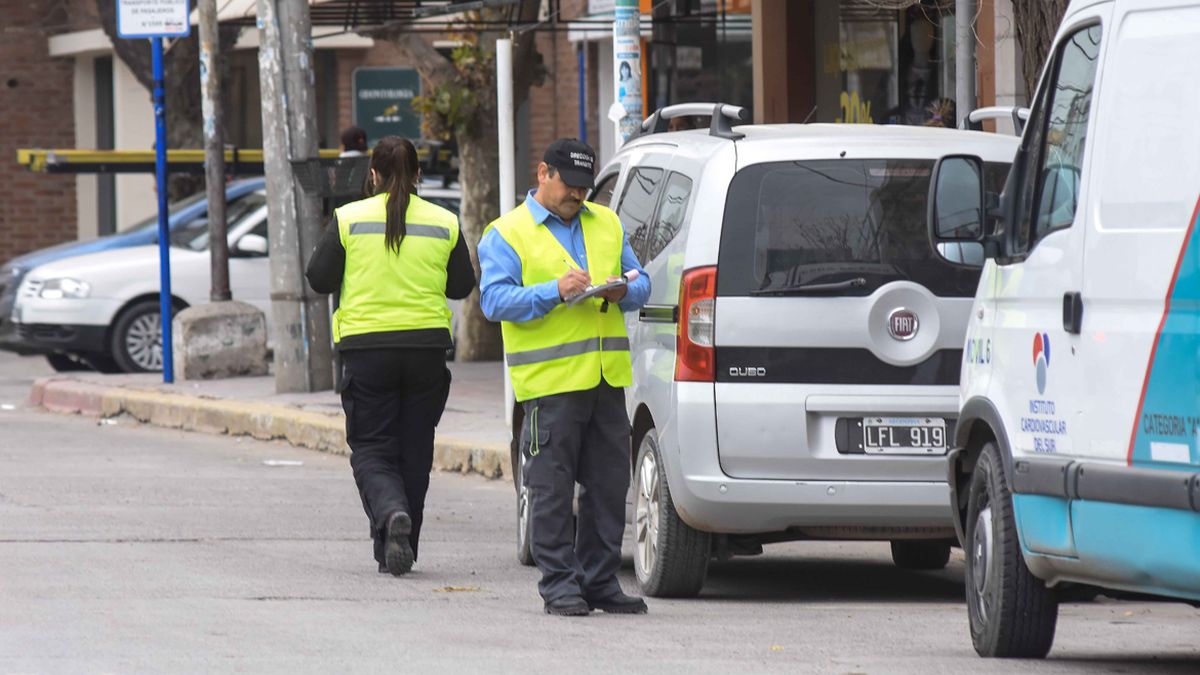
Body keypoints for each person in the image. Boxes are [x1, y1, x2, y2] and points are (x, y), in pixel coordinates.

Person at [478, 138, 651, 616]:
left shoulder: (607, 222)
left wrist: (623, 292)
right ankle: (559, 585)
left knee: (609, 486)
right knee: (552, 491)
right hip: (550, 385)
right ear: (543, 174)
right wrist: (553, 291)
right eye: (569, 186)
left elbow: (642, 280)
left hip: (605, 381)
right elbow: (494, 301)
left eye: (584, 188)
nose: (577, 196)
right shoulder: (507, 233)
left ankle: (600, 581)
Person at [305, 135, 475, 576]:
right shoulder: (444, 221)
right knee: (415, 448)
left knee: (372, 448)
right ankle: (401, 545)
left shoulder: (349, 219)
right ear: (419, 175)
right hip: (426, 351)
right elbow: (461, 286)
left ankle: (390, 515)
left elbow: (318, 279)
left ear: (373, 175)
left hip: (368, 351)